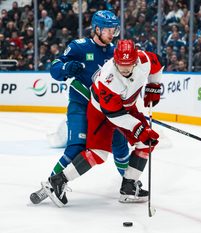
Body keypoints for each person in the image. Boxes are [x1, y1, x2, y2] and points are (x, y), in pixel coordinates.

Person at [42, 39, 163, 207]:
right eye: (121, 65)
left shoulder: (144, 60)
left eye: (129, 65)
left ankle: (128, 187)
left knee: (146, 142)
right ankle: (59, 180)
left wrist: (154, 86)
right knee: (98, 154)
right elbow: (114, 115)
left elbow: (158, 65)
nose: (125, 69)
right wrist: (138, 128)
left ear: (135, 60)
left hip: (127, 107)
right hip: (101, 112)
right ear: (115, 60)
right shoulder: (109, 77)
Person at [30, 10, 130, 205]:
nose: (112, 34)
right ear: (97, 29)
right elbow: (55, 68)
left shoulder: (114, 51)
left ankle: (129, 183)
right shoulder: (80, 47)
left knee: (119, 143)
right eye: (109, 30)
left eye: (114, 30)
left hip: (103, 110)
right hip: (81, 105)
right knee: (77, 147)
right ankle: (51, 185)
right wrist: (66, 69)